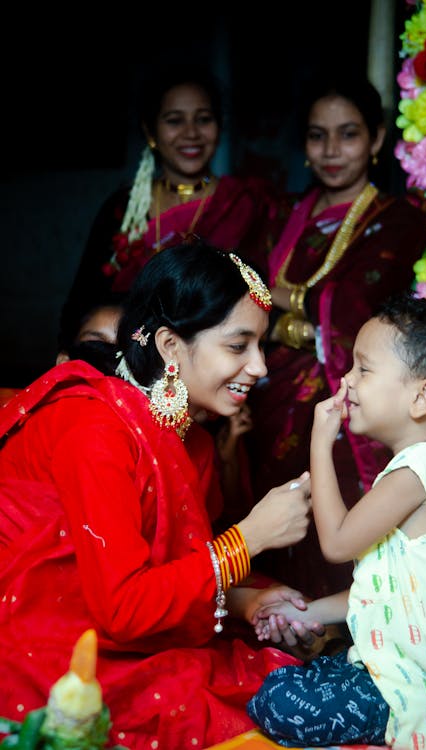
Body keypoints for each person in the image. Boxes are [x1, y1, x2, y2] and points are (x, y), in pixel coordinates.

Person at [0, 242, 324, 750]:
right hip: (39, 636)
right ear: (171, 346)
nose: (260, 368)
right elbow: (123, 607)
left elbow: (176, 568)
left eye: (262, 347)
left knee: (281, 680)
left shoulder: (188, 437)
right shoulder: (93, 427)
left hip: (111, 624)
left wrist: (245, 602)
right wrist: (249, 539)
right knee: (230, 695)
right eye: (239, 347)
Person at [247, 293, 426, 748]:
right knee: (304, 670)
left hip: (417, 693)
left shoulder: (419, 469)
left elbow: (338, 544)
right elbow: (385, 592)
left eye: (364, 368)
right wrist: (303, 610)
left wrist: (320, 443)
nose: (346, 380)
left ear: (423, 396)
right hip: (407, 675)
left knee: (275, 698)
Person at [245, 71, 426, 601]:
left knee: (325, 512)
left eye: (348, 134)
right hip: (263, 394)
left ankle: (328, 624)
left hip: (340, 397)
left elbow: (355, 304)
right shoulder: (283, 215)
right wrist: (292, 314)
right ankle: (267, 615)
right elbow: (246, 288)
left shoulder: (397, 218)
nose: (331, 150)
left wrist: (274, 304)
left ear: (376, 140)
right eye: (317, 135)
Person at [59, 64, 280, 349]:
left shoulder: (247, 204)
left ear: (220, 126)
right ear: (150, 131)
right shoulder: (124, 210)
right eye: (174, 120)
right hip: (129, 361)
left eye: (203, 119)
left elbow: (263, 297)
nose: (191, 133)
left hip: (216, 366)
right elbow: (83, 302)